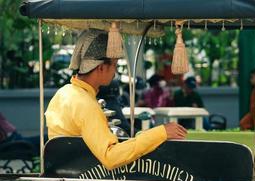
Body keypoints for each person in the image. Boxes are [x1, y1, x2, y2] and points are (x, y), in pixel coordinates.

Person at [45, 29, 187, 170]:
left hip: (63, 176)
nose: (115, 71)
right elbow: (110, 157)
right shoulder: (86, 104)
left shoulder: (63, 93)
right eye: (114, 65)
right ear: (101, 67)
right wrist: (161, 132)